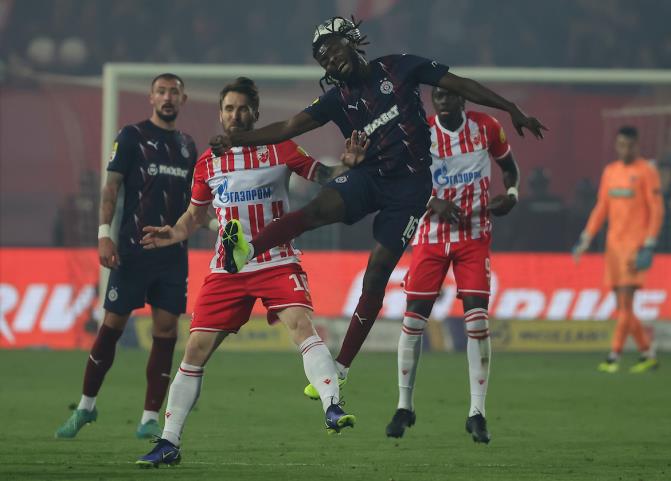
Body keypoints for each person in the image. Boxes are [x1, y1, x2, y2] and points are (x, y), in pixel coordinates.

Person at [211, 17, 546, 398]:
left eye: (332, 51)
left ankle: (341, 368)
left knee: (376, 274)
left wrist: (510, 107)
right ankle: (246, 250)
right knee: (316, 211)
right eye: (322, 60)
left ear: (352, 41)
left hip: (410, 191)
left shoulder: (398, 67)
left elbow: (461, 84)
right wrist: (239, 140)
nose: (330, 61)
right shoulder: (337, 98)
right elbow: (290, 126)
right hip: (368, 176)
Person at [136, 78, 360, 468]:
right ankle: (169, 441)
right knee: (195, 350)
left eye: (242, 109)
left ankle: (332, 406)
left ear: (255, 113)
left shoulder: (280, 147)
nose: (235, 115)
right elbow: (194, 217)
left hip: (276, 258)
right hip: (229, 268)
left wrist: (348, 165)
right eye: (229, 109)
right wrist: (171, 234)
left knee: (301, 325)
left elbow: (322, 174)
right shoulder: (208, 162)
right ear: (220, 113)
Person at [55, 73, 198, 439]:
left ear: (183, 100)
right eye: (161, 91)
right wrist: (104, 236)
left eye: (174, 92)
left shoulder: (187, 146)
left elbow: (194, 201)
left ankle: (149, 417)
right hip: (132, 251)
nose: (168, 97)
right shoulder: (132, 136)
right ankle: (86, 406)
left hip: (172, 256)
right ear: (151, 97)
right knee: (112, 326)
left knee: (166, 331)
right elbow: (111, 189)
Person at [384, 88, 520, 442]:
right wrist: (434, 202)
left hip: (474, 235)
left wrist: (512, 195)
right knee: (413, 321)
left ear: (462, 100)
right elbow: (404, 183)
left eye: (449, 96)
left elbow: (509, 168)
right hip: (430, 236)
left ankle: (477, 413)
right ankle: (404, 406)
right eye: (438, 97)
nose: (442, 102)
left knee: (477, 321)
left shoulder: (486, 127)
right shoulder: (422, 134)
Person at [573, 126, 664, 373]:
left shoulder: (647, 171)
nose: (626, 150)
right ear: (616, 145)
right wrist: (586, 238)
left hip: (635, 248)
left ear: (637, 145)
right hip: (613, 248)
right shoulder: (610, 172)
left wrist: (649, 243)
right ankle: (647, 353)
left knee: (625, 304)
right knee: (623, 307)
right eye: (622, 145)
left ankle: (613, 356)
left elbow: (656, 209)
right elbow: (601, 208)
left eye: (630, 145)